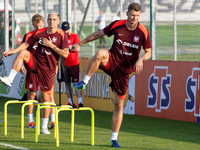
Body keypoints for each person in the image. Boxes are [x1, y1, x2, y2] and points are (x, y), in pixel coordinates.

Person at [72, 3, 152, 147]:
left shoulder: (143, 31)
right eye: (133, 15)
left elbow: (148, 52)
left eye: (138, 16)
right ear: (127, 13)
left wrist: (141, 59)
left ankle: (114, 138)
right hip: (111, 60)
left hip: (124, 71)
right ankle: (84, 82)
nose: (135, 18)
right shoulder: (118, 24)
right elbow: (98, 34)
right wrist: (81, 43)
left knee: (118, 105)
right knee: (100, 53)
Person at [0, 11, 69, 134]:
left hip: (48, 69)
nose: (51, 22)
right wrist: (12, 52)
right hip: (35, 63)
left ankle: (44, 126)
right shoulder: (38, 33)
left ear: (58, 21)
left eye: (53, 19)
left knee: (46, 97)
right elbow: (26, 44)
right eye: (49, 19)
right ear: (46, 20)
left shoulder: (62, 35)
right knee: (23, 53)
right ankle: (9, 79)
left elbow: (65, 53)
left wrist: (51, 45)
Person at [19, 14, 56, 129]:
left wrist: (55, 67)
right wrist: (21, 64)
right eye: (35, 26)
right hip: (32, 67)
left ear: (43, 24)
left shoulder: (48, 35)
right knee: (32, 94)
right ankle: (31, 121)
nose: (38, 28)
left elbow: (54, 53)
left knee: (50, 96)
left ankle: (52, 121)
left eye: (40, 26)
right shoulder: (29, 35)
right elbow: (23, 49)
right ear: (32, 25)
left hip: (46, 68)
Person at [61, 21, 83, 107]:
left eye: (67, 30)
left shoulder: (75, 36)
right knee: (67, 83)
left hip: (74, 63)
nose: (66, 32)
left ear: (69, 28)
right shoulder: (62, 37)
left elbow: (77, 48)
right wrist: (70, 47)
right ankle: (70, 101)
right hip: (64, 63)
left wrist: (68, 47)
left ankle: (80, 101)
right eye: (64, 30)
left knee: (76, 82)